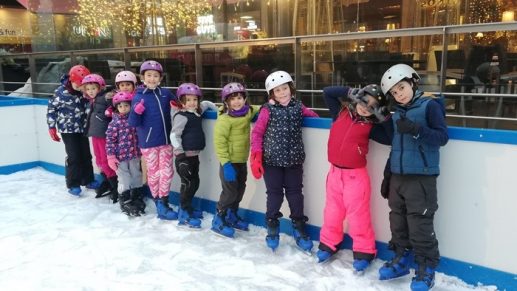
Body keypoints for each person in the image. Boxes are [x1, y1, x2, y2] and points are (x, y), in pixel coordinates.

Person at [377, 64, 448, 291]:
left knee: (420, 224)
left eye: (402, 87)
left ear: (413, 82)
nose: (400, 94)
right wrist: (388, 176)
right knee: (397, 220)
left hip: (421, 177)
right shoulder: (397, 113)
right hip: (399, 177)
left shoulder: (430, 105)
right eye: (395, 93)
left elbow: (442, 137)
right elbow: (395, 148)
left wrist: (417, 129)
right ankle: (401, 258)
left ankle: (426, 268)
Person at [315, 84, 390, 273]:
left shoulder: (371, 127)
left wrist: (386, 118)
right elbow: (327, 93)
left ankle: (365, 251)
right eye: (364, 100)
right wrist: (349, 92)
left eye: (372, 106)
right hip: (334, 174)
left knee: (358, 216)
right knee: (332, 211)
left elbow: (391, 138)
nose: (366, 107)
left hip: (355, 177)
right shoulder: (340, 113)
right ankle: (329, 243)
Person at [250, 70, 319, 252]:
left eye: (285, 88)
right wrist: (256, 155)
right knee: (274, 194)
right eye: (277, 90)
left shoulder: (298, 106)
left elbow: (312, 116)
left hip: (294, 160)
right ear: (272, 94)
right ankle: (272, 224)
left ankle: (298, 225)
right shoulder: (267, 110)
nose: (282, 93)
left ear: (291, 88)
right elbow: (257, 133)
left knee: (295, 194)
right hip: (271, 160)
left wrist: (324, 125)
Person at [128, 60, 178, 220]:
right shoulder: (138, 97)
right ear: (143, 77)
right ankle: (159, 203)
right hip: (148, 143)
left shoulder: (165, 94)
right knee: (154, 173)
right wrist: (136, 112)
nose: (152, 79)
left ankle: (163, 200)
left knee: (168, 172)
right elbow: (132, 123)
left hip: (166, 141)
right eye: (148, 75)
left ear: (160, 78)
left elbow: (180, 104)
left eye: (155, 76)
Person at [211, 82, 260, 238]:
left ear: (244, 99)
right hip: (229, 163)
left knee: (239, 190)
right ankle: (218, 218)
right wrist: (225, 164)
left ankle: (232, 215)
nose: (237, 102)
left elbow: (260, 109)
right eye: (232, 99)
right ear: (226, 102)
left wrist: (270, 105)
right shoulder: (225, 119)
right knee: (229, 192)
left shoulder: (247, 113)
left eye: (239, 98)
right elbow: (219, 142)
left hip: (241, 161)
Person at [46, 65, 100, 196]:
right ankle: (73, 183)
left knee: (86, 155)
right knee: (74, 156)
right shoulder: (60, 93)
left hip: (82, 129)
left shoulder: (85, 93)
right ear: (71, 80)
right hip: (67, 130)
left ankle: (88, 180)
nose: (82, 88)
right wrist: (51, 127)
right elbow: (51, 110)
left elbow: (89, 108)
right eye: (78, 84)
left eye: (83, 85)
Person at [170, 83, 217, 228]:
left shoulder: (196, 112)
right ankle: (183, 213)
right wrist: (180, 155)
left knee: (194, 183)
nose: (192, 102)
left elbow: (207, 104)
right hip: (184, 158)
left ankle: (188, 207)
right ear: (182, 101)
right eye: (188, 100)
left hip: (194, 156)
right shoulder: (181, 116)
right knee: (188, 184)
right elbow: (174, 136)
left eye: (195, 99)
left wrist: (217, 110)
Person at [106, 91, 144, 216]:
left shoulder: (134, 120)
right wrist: (111, 156)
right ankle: (125, 199)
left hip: (134, 154)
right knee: (124, 178)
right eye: (120, 106)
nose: (123, 109)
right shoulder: (114, 123)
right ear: (116, 108)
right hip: (120, 157)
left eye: (126, 106)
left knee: (136, 175)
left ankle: (137, 196)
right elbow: (110, 141)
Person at [81, 73, 119, 202]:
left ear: (100, 88)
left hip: (104, 135)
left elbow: (114, 102)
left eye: (93, 88)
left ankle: (115, 186)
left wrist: (111, 94)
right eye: (88, 89)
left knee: (106, 161)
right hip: (95, 135)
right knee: (99, 160)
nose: (91, 92)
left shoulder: (103, 98)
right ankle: (107, 181)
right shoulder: (93, 100)